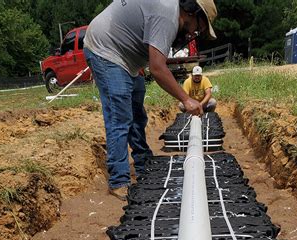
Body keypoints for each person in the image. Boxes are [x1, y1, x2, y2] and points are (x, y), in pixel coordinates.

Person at [83, 0, 217, 200]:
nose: (194, 33)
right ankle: (119, 180)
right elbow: (158, 68)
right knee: (120, 117)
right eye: (198, 27)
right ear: (191, 12)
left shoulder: (168, 11)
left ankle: (143, 162)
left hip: (125, 57)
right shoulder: (168, 16)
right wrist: (186, 99)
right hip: (106, 50)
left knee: (137, 113)